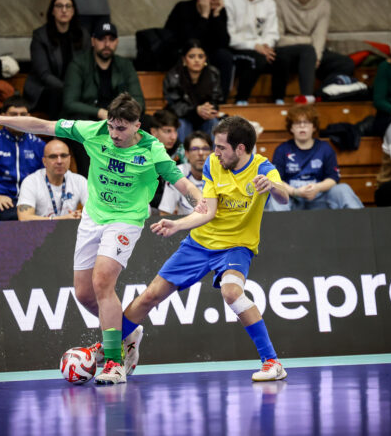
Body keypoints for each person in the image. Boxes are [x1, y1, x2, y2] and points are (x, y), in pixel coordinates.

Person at [0, 92, 204, 385]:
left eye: (121, 128)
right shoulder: (94, 131)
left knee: (103, 281)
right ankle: (128, 331)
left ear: (137, 126)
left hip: (125, 219)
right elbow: (43, 125)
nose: (114, 134)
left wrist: (200, 203)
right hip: (93, 216)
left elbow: (182, 184)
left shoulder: (152, 149)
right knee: (83, 293)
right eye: (112, 126)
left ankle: (114, 362)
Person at [111, 116, 291, 382]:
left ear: (240, 148)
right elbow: (208, 212)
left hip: (236, 247)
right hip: (199, 244)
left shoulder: (263, 167)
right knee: (151, 295)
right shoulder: (213, 164)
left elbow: (283, 197)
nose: (214, 152)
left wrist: (272, 186)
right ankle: (108, 348)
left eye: (221, 147)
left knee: (232, 292)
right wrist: (177, 225)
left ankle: (272, 363)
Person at [63, 21, 144, 176]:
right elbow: (69, 103)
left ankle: (137, 176)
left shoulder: (125, 65)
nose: (107, 44)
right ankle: (88, 178)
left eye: (111, 39)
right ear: (93, 41)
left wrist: (122, 115)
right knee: (78, 124)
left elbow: (139, 101)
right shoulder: (78, 64)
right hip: (90, 119)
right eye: (102, 39)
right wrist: (100, 112)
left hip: (119, 118)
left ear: (117, 42)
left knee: (147, 122)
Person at [225, 0, 311, 105]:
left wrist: (266, 46)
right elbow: (229, 36)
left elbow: (272, 32)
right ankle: (241, 100)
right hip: (238, 49)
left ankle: (279, 100)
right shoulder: (228, 2)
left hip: (263, 49)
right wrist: (254, 46)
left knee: (282, 58)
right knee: (256, 59)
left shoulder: (269, 3)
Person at [274, 0, 354, 100]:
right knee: (305, 52)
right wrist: (309, 41)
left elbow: (320, 35)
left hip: (315, 52)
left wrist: (315, 57)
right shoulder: (279, 4)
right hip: (291, 53)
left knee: (346, 63)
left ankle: (322, 93)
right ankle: (306, 97)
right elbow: (279, 39)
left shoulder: (323, 4)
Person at [271, 104, 363, 210]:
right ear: (291, 128)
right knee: (274, 194)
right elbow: (276, 180)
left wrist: (317, 188)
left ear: (314, 127)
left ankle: (361, 220)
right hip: (292, 197)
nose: (302, 126)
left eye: (306, 122)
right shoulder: (282, 149)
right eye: (297, 123)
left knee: (343, 189)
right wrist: (295, 192)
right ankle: (279, 221)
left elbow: (333, 178)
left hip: (319, 196)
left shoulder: (325, 148)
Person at [164, 0, 233, 101]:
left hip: (206, 52)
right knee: (195, 56)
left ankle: (220, 101)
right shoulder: (183, 8)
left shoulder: (219, 11)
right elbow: (190, 41)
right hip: (181, 51)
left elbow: (224, 42)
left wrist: (216, 15)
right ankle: (189, 100)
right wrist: (204, 16)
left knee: (224, 56)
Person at [24, 0, 90, 118]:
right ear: (52, 11)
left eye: (68, 6)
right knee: (58, 94)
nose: (64, 10)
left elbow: (87, 66)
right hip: (45, 90)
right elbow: (44, 74)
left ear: (73, 11)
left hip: (74, 88)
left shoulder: (82, 35)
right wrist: (68, 89)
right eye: (59, 6)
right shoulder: (40, 36)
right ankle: (57, 130)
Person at [163, 39, 223, 143]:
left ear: (205, 58)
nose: (197, 60)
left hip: (204, 117)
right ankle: (184, 153)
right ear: (184, 59)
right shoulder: (173, 76)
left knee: (214, 123)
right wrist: (196, 110)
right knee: (182, 124)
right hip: (181, 117)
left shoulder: (213, 74)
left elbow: (216, 99)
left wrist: (209, 109)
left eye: (200, 56)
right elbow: (174, 106)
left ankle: (214, 153)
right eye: (192, 56)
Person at [17, 139, 88, 221]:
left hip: (70, 228)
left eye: (63, 156)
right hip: (40, 229)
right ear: (44, 161)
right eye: (53, 157)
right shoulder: (31, 182)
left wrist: (82, 216)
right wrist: (62, 219)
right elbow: (24, 218)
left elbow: (96, 212)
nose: (59, 161)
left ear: (69, 159)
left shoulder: (80, 181)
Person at [158, 131, 211, 215]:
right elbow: (165, 212)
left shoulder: (220, 174)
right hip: (185, 222)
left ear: (211, 153)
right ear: (187, 154)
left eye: (205, 149)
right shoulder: (177, 173)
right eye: (195, 149)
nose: (201, 153)